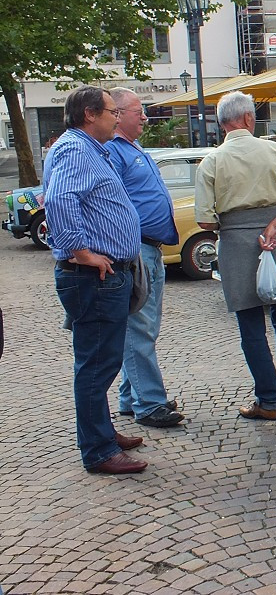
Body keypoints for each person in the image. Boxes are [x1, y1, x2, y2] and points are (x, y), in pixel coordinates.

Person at [195, 91, 276, 421]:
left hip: (236, 244)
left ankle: (267, 400)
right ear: (249, 119)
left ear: (222, 123)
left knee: (251, 326)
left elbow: (205, 220)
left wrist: (233, 224)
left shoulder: (212, 162)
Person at [43, 86, 148, 474]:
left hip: (102, 276)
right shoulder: (75, 149)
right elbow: (58, 200)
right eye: (110, 111)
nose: (116, 117)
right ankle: (99, 450)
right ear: (90, 114)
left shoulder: (86, 149)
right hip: (94, 277)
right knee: (96, 365)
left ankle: (102, 432)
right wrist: (81, 252)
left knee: (101, 361)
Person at [104, 88, 184, 429]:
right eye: (140, 112)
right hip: (136, 249)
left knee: (142, 325)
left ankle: (130, 398)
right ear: (118, 114)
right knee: (139, 328)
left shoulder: (133, 149)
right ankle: (150, 404)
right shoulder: (113, 151)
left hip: (150, 248)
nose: (146, 118)